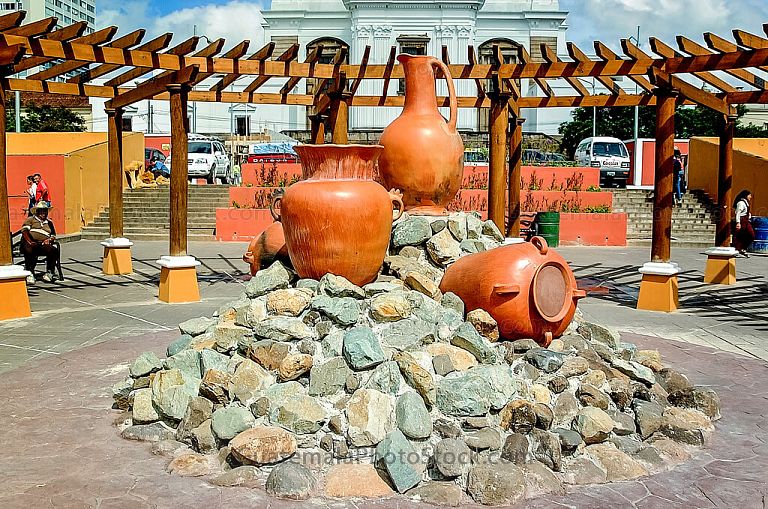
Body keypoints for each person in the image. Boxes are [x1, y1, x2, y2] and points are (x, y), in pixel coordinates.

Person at [20, 202, 60, 284]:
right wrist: (30, 241)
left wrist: (49, 240)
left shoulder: (49, 223)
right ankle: (30, 272)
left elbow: (53, 235)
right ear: (37, 212)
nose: (44, 213)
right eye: (42, 211)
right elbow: (25, 231)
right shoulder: (30, 220)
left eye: (45, 211)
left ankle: (50, 272)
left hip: (42, 244)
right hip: (30, 242)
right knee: (30, 249)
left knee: (53, 250)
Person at [733, 189, 754, 257]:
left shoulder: (746, 203)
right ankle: (737, 249)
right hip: (742, 220)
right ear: (746, 195)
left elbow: (745, 211)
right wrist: (738, 222)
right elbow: (738, 213)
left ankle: (743, 248)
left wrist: (749, 215)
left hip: (746, 220)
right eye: (749, 195)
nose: (750, 197)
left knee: (751, 235)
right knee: (738, 235)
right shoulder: (741, 203)